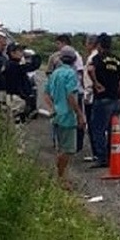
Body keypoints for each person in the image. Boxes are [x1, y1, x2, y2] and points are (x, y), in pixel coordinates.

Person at [44, 46, 86, 188]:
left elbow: (46, 94)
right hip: (67, 116)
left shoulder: (55, 74)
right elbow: (71, 96)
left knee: (60, 148)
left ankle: (63, 177)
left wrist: (52, 108)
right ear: (74, 59)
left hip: (56, 115)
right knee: (67, 150)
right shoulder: (70, 74)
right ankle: (61, 178)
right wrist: (80, 114)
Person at [88, 33, 120, 169]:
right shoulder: (117, 60)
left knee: (97, 129)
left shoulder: (98, 58)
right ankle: (112, 155)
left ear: (99, 45)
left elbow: (90, 69)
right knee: (112, 130)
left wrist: (96, 83)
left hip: (102, 98)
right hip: (116, 99)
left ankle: (102, 158)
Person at [4, 43, 42, 123]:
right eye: (19, 51)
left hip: (16, 97)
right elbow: (33, 66)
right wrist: (35, 56)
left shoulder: (13, 64)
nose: (22, 53)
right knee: (16, 122)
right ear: (12, 53)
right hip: (15, 98)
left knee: (19, 120)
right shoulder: (12, 65)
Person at [82, 35, 99, 162]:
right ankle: (100, 152)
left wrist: (88, 92)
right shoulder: (99, 56)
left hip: (91, 93)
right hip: (97, 93)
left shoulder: (92, 58)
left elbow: (90, 75)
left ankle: (96, 153)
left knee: (93, 125)